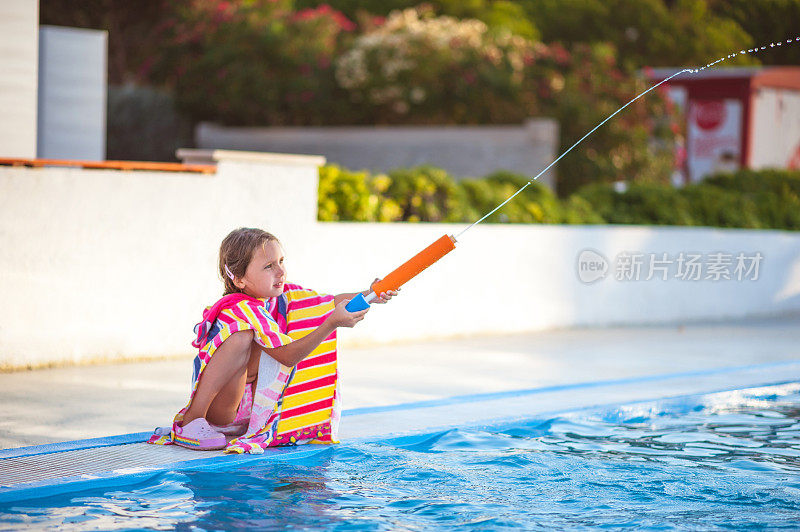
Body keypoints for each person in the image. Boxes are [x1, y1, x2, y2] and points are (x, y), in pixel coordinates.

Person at [148, 227, 395, 452]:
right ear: (239, 279)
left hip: (248, 415)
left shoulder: (283, 296)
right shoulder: (240, 309)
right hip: (222, 411)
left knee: (287, 321)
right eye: (268, 266)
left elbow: (328, 302)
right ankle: (192, 420)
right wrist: (331, 324)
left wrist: (372, 293)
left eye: (281, 261)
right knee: (242, 335)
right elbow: (287, 356)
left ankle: (233, 427)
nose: (280, 271)